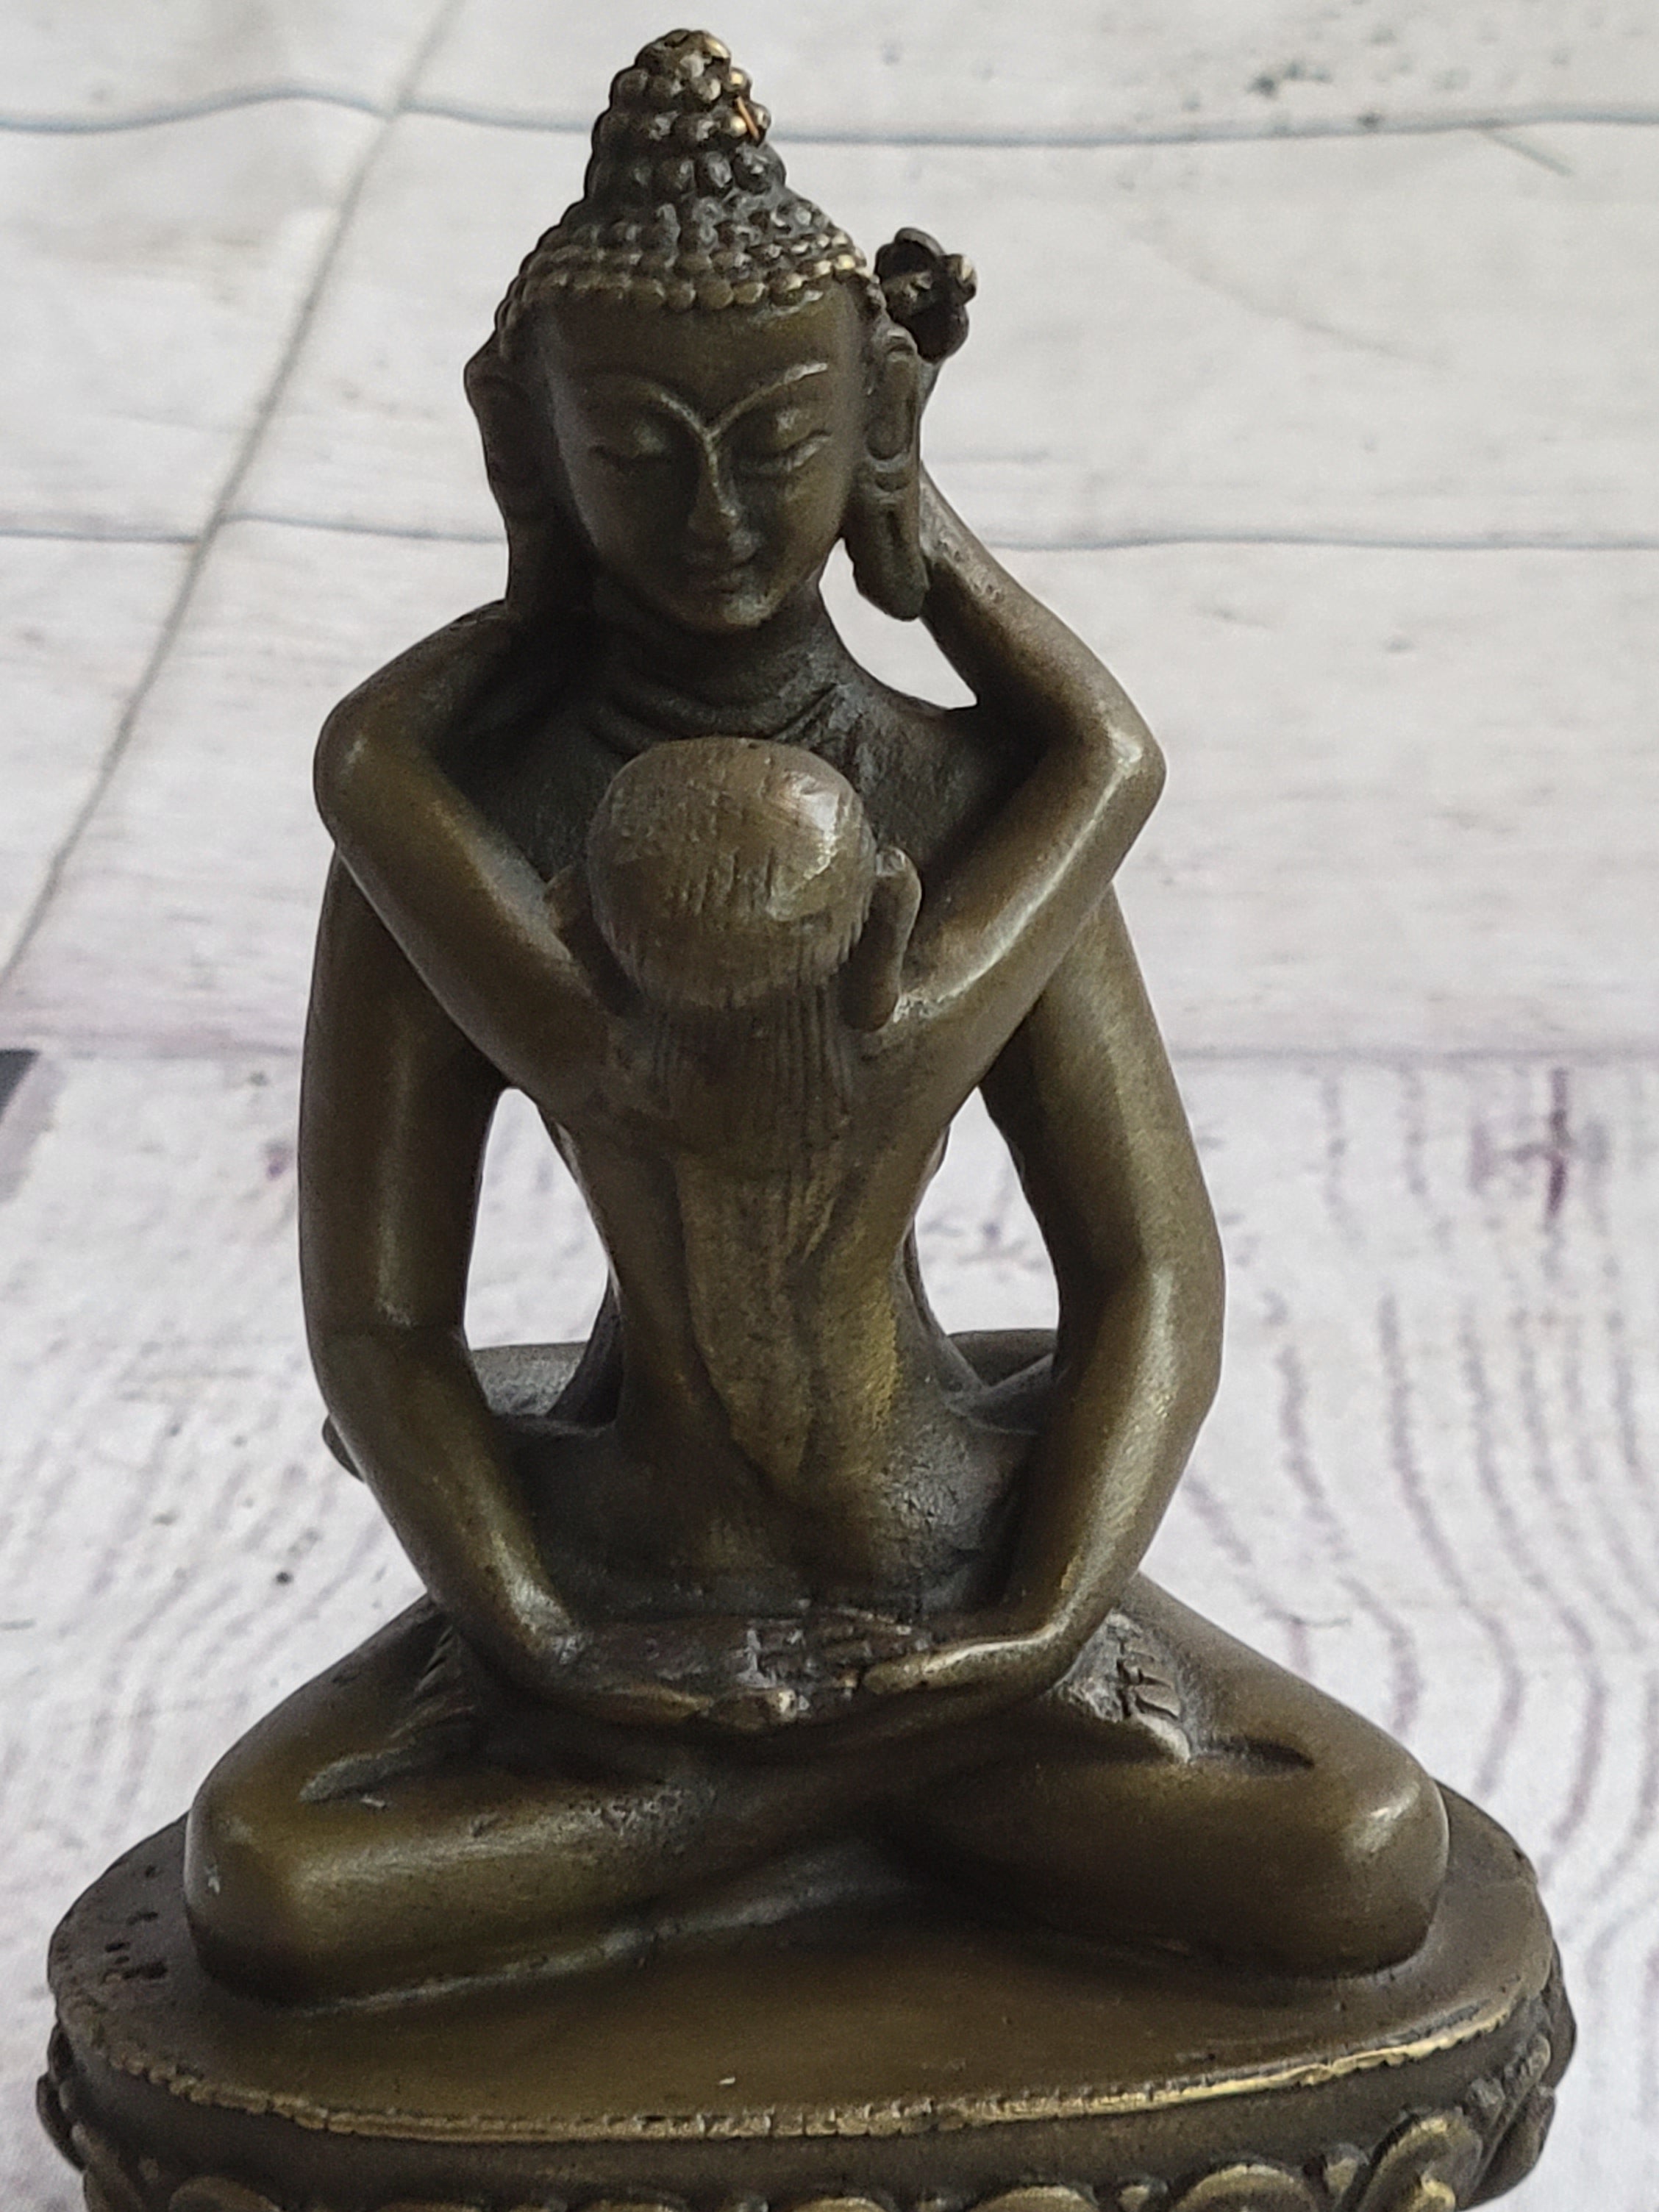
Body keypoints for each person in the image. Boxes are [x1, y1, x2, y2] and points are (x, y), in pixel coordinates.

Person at [183, 32, 1446, 2005]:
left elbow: (1149, 1272)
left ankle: (755, 1813)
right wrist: (547, 1637)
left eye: (778, 439)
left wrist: (1036, 1622)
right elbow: (381, 1328)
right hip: (623, 1562)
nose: (715, 512)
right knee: (274, 1883)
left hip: (941, 1542)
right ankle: (868, 1796)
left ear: (875, 420)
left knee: (1351, 1855)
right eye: (638, 449)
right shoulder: (459, 846)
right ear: (531, 441)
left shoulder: (967, 805)